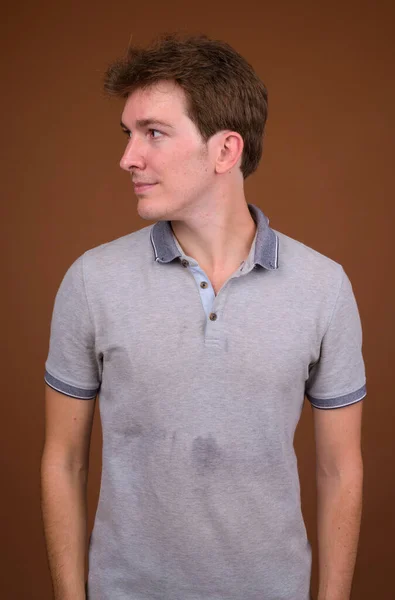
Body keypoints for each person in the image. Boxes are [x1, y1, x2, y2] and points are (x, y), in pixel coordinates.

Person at [41, 33, 366, 600]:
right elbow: (63, 461)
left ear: (225, 151)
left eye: (155, 134)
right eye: (129, 134)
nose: (128, 157)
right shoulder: (92, 281)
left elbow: (341, 473)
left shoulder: (325, 288)